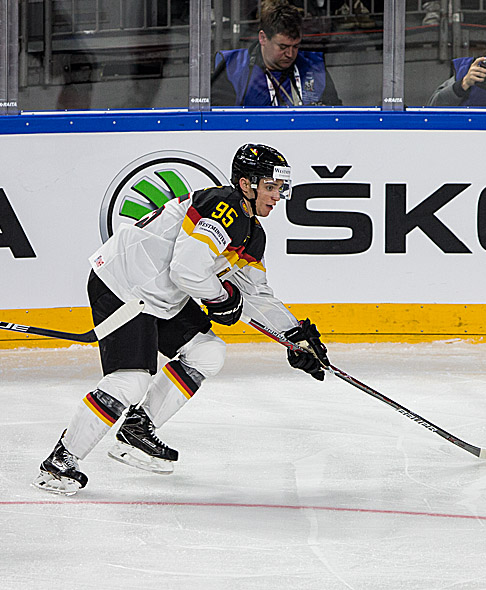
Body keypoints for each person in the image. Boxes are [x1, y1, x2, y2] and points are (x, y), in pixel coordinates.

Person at [33, 144, 331, 495]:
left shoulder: (252, 233)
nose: (277, 196)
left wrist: (294, 335)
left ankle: (137, 429)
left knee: (208, 352)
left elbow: (255, 294)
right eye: (270, 187)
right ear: (245, 184)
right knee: (130, 382)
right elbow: (187, 269)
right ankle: (60, 462)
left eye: (280, 188)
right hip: (125, 283)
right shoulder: (222, 208)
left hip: (162, 295)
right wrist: (221, 298)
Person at [212, 0, 342, 107]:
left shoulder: (314, 66)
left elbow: (335, 114)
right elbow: (220, 120)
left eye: (295, 46)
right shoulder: (232, 67)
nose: (290, 54)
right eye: (283, 47)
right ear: (263, 38)